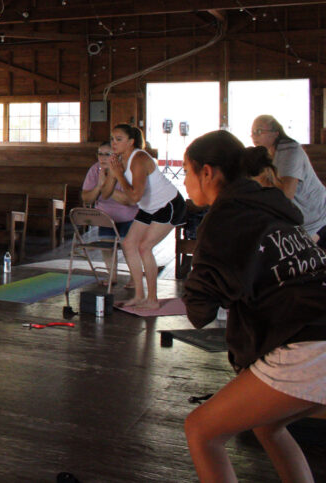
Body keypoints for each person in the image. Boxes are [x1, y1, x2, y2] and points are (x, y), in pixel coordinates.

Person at [181, 129, 326, 482]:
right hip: (316, 326)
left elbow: (200, 313)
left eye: (186, 171)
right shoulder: (273, 207)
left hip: (309, 343)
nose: (185, 181)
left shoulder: (224, 218)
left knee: (201, 431)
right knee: (266, 424)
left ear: (207, 172)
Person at [108, 123, 186, 310]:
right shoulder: (120, 160)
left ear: (131, 142)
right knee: (129, 244)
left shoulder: (139, 159)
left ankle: (152, 299)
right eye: (112, 139)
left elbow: (135, 196)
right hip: (149, 207)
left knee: (144, 247)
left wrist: (118, 175)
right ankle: (139, 295)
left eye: (119, 139)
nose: (113, 143)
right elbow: (125, 197)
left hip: (168, 205)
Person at [250, 114, 326, 242]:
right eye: (252, 132)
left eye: (259, 131)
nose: (254, 136)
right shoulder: (267, 153)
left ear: (275, 133)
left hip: (317, 219)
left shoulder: (289, 150)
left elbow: (286, 195)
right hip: (303, 219)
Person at [81, 142, 138, 238]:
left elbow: (129, 200)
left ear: (117, 156)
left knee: (127, 246)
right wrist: (99, 187)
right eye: (100, 154)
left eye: (107, 154)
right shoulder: (95, 169)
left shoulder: (128, 170)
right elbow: (86, 199)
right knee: (106, 244)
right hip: (105, 220)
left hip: (129, 219)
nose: (102, 158)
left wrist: (106, 186)